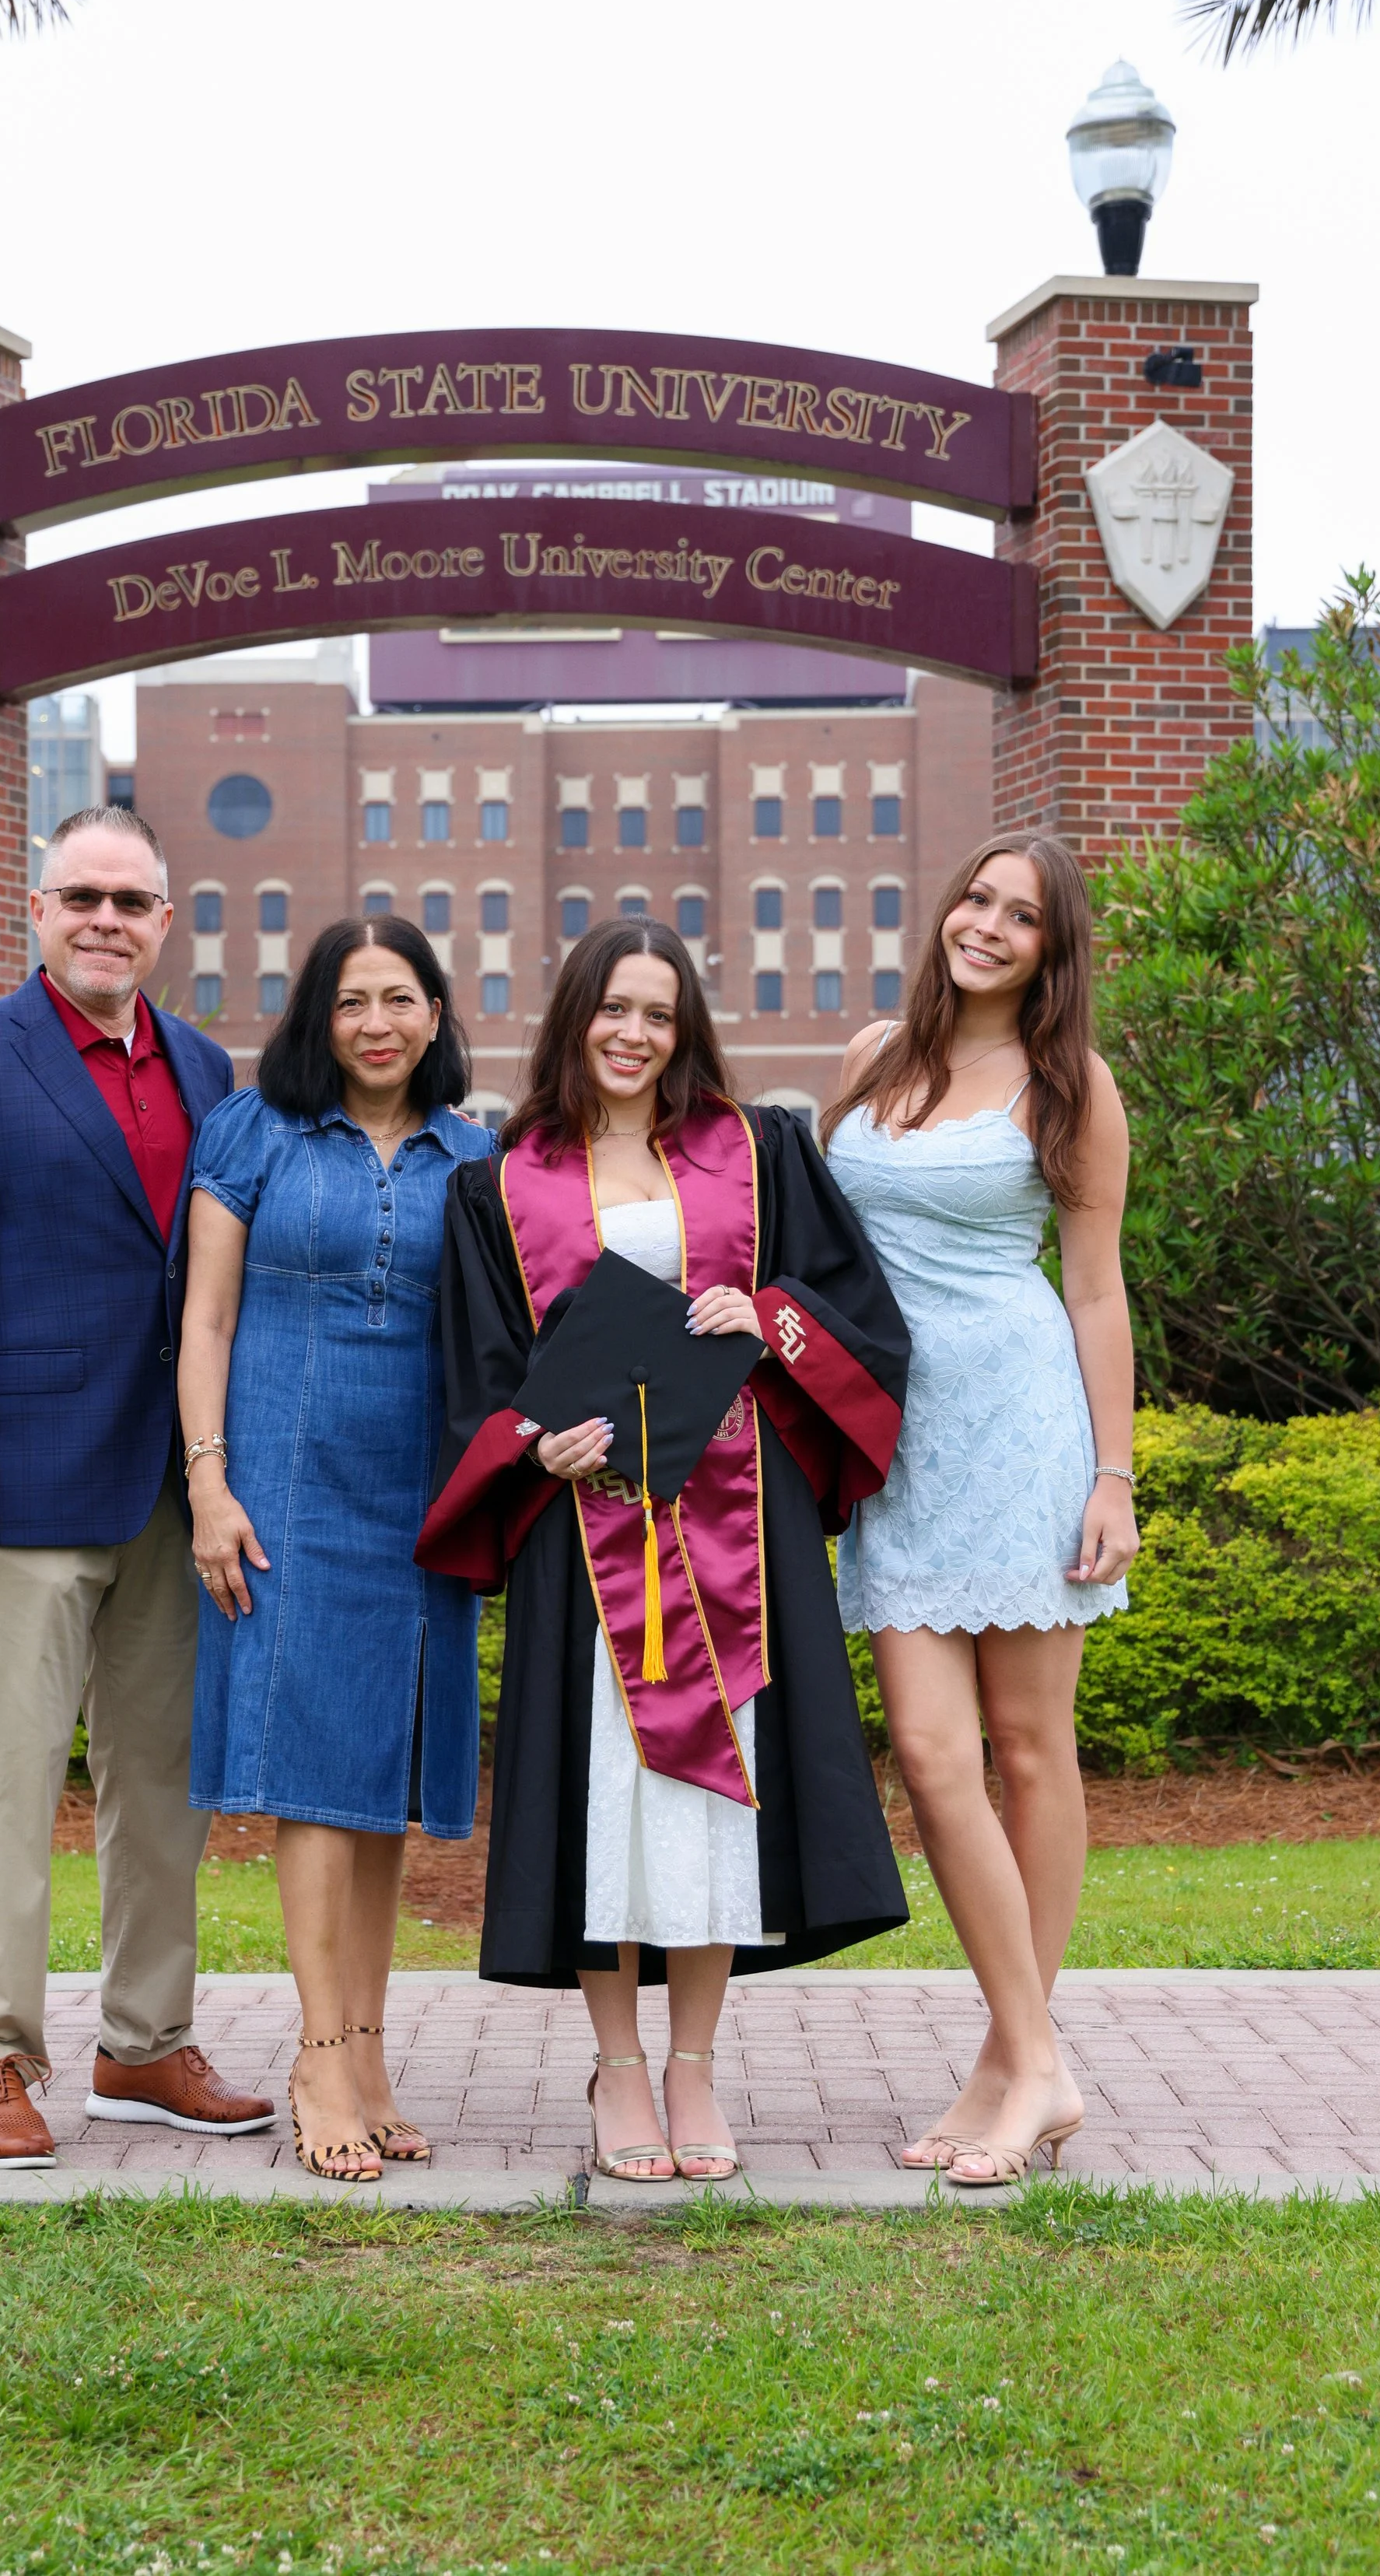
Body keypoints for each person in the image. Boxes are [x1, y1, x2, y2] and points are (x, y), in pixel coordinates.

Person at [418, 920, 910, 2185]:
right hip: (584, 1546)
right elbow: (477, 1379)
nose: (635, 1034)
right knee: (604, 1800)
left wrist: (771, 1318)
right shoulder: (501, 1179)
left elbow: (857, 1310)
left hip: (736, 1529)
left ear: (685, 1028)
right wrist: (533, 1448)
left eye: (659, 1013)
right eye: (614, 1009)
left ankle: (693, 2068)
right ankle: (618, 2072)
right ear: (574, 1014)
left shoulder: (761, 1151)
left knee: (709, 1805)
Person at [0, 804, 274, 2167]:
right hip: (22, 1475)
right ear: (36, 913)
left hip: (176, 1486)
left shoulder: (212, 1070)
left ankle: (145, 2044)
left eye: (132, 901)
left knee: (163, 1784)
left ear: (166, 924)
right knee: (8, 1780)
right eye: (82, 896)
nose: (106, 918)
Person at [822, 833, 1140, 2189]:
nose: (991, 927)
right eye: (979, 899)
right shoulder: (872, 1057)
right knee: (934, 1758)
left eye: (1024, 918)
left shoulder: (1074, 1086)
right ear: (947, 909)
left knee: (1027, 1749)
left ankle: (1015, 2067)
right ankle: (1035, 2060)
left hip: (1021, 1432)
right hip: (896, 1445)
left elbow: (1095, 1289)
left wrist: (1114, 1474)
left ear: (1053, 953)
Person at [178, 917, 492, 2182]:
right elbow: (205, 1319)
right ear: (317, 1014)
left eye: (401, 998)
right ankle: (316, 2056)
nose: (377, 1022)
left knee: (382, 1789)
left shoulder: (475, 1153)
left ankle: (367, 2052)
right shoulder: (250, 1132)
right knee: (312, 1774)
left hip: (422, 1500)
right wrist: (210, 1484)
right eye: (352, 999)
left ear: (436, 1015)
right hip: (285, 1489)